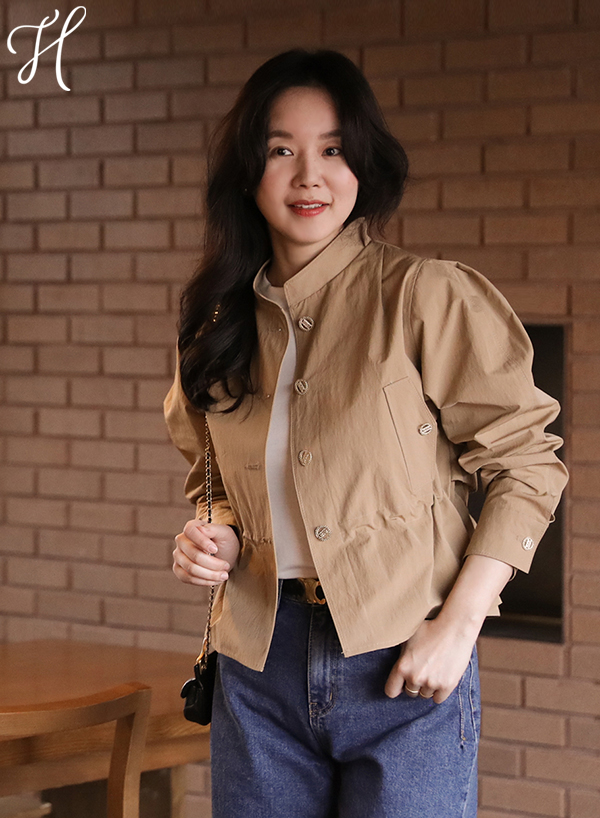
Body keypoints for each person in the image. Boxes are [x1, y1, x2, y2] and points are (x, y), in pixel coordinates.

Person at [164, 49, 568, 818]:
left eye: (333, 149)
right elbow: (210, 476)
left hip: (405, 665)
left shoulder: (425, 297)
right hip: (258, 670)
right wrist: (215, 534)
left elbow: (527, 465)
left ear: (363, 164)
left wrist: (457, 627)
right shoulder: (216, 325)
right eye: (281, 150)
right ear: (248, 171)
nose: (308, 176)